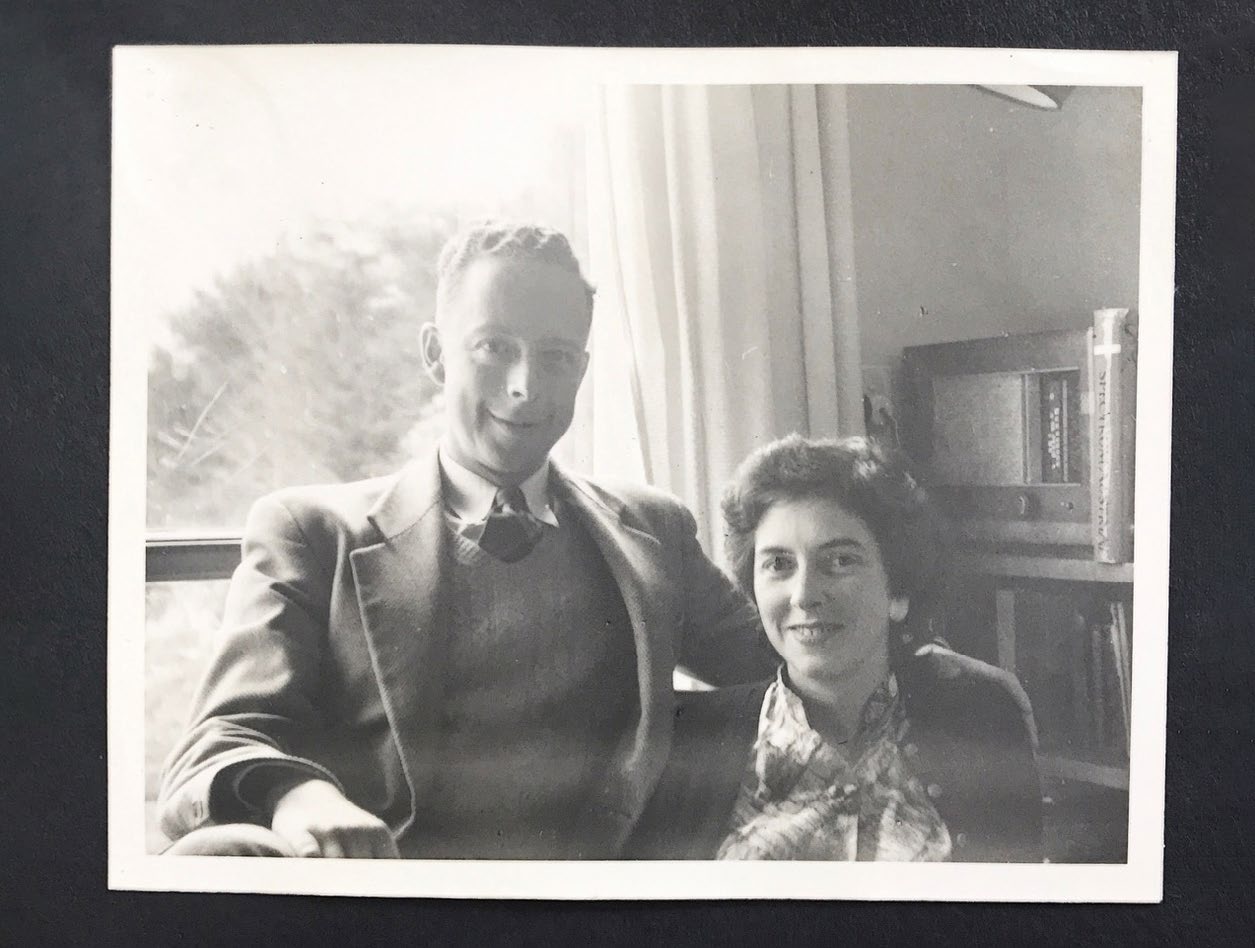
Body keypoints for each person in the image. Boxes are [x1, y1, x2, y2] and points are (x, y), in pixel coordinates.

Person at [158, 220, 774, 859]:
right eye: (493, 346)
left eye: (556, 357)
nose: (525, 385)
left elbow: (785, 667)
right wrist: (301, 799)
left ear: (582, 370)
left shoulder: (654, 529)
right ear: (434, 353)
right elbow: (222, 739)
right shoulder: (313, 533)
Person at [626, 435, 1043, 862]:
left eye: (840, 561)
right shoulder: (687, 743)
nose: (804, 594)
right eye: (779, 564)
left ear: (897, 591)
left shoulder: (982, 719)